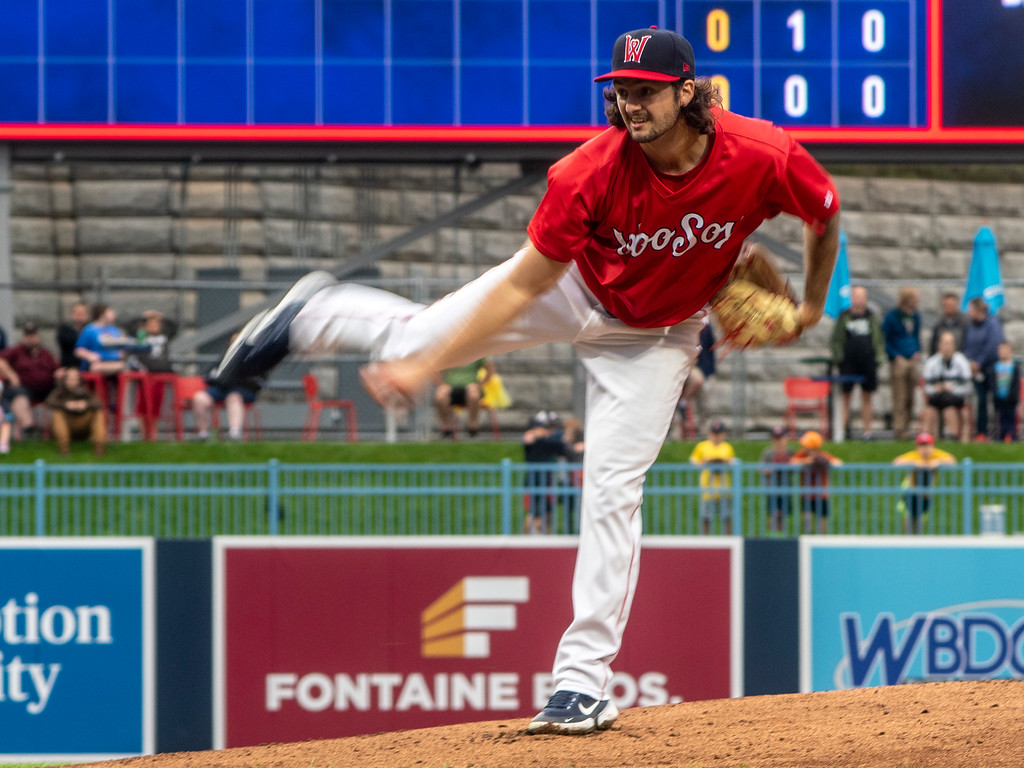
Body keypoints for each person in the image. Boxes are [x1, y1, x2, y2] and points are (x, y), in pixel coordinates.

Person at [209, 26, 841, 735]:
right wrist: (425, 366)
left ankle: (579, 685)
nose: (631, 105)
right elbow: (519, 289)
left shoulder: (760, 154)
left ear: (686, 92)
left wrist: (813, 307)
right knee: (421, 334)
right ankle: (311, 314)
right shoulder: (586, 174)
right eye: (622, 92)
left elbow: (824, 211)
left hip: (656, 335)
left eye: (647, 92)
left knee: (611, 489)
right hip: (574, 290)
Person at [829, 285, 885, 439]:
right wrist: (839, 358)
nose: (859, 299)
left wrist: (878, 358)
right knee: (846, 396)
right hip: (848, 362)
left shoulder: (871, 317)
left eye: (862, 296)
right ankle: (841, 431)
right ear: (852, 298)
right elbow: (836, 339)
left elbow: (878, 340)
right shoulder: (845, 316)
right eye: (857, 296)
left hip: (867, 361)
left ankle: (867, 431)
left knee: (867, 396)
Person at [892, 433, 956, 534]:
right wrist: (915, 463)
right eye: (922, 445)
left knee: (920, 517)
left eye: (927, 445)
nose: (925, 448)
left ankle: (918, 541)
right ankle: (906, 541)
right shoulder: (914, 455)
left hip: (926, 493)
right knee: (908, 515)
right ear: (917, 447)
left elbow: (952, 461)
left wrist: (937, 462)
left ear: (932, 446)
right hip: (910, 490)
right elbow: (896, 462)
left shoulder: (937, 455)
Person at [882, 287, 922, 440]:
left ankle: (908, 427)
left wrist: (917, 351)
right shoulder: (892, 317)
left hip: (912, 358)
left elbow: (916, 336)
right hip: (898, 361)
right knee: (900, 396)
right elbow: (886, 339)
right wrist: (894, 355)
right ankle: (899, 429)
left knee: (911, 397)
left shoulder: (915, 317)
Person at [962, 297, 1005, 441]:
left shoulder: (992, 323)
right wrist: (969, 362)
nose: (969, 313)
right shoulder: (971, 326)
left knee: (996, 401)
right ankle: (982, 433)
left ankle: (1000, 432)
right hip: (976, 371)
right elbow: (967, 346)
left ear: (979, 309)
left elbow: (992, 346)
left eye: (971, 310)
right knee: (980, 402)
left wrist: (979, 362)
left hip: (991, 369)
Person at [522, 410, 571, 534]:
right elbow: (528, 438)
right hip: (535, 483)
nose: (551, 430)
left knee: (548, 514)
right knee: (535, 514)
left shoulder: (551, 441)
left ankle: (546, 540)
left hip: (547, 483)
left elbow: (565, 446)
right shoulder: (533, 441)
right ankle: (525, 542)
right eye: (549, 427)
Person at [921, 330, 973, 441]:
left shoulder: (961, 361)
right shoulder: (932, 362)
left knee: (949, 406)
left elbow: (968, 387)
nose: (947, 347)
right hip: (937, 396)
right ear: (939, 345)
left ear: (954, 346)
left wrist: (953, 388)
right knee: (930, 406)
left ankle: (953, 436)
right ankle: (926, 438)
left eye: (949, 343)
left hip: (955, 396)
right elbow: (926, 386)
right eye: (944, 343)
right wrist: (935, 389)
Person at [45, 367, 107, 456]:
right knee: (57, 413)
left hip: (84, 426)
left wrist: (85, 404)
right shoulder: (59, 391)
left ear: (79, 380)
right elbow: (49, 401)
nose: (71, 382)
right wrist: (66, 405)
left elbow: (99, 403)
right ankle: (64, 448)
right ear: (65, 380)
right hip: (67, 425)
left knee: (98, 412)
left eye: (74, 379)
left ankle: (99, 446)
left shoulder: (84, 391)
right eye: (69, 379)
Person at [790, 430, 842, 534]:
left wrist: (827, 462)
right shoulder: (802, 455)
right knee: (807, 520)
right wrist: (808, 461)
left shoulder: (822, 455)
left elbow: (839, 463)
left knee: (822, 523)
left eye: (805, 445)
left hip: (821, 495)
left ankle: (822, 541)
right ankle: (807, 537)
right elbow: (791, 462)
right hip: (807, 495)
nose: (803, 447)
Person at [690, 421, 736, 534]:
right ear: (709, 434)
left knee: (726, 517)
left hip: (724, 489)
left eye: (719, 433)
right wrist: (705, 462)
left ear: (724, 434)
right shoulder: (702, 446)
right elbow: (694, 462)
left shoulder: (727, 447)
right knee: (706, 517)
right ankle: (705, 541)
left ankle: (728, 540)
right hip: (707, 489)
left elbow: (733, 463)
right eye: (714, 433)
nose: (716, 436)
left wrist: (723, 461)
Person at [433, 358, 495, 438]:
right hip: (450, 388)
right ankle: (446, 427)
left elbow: (490, 368)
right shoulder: (448, 351)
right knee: (440, 395)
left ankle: (473, 426)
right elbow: (434, 370)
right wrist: (441, 384)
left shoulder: (476, 350)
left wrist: (479, 384)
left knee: (473, 393)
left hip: (469, 388)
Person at [192, 374, 262, 442]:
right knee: (200, 398)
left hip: (241, 387)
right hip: (219, 386)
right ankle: (203, 434)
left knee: (234, 398)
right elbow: (207, 375)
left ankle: (235, 433)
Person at [676, 323, 715, 437]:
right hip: (683, 364)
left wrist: (708, 372)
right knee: (697, 381)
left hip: (699, 367)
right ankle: (682, 402)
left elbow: (710, 350)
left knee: (703, 400)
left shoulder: (707, 327)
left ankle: (703, 432)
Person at [74, 303, 131, 375]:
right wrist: (90, 355)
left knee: (126, 367)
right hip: (97, 363)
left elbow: (120, 344)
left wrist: (121, 352)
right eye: (110, 312)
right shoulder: (90, 329)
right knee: (121, 366)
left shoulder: (113, 329)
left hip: (115, 361)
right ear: (102, 315)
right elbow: (78, 350)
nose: (114, 314)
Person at [759, 425, 794, 534]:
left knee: (783, 514)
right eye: (776, 438)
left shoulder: (790, 452)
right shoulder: (768, 452)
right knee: (773, 513)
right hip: (771, 488)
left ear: (786, 438)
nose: (778, 441)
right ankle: (771, 534)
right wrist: (773, 468)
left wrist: (787, 466)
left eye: (781, 438)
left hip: (785, 487)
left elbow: (796, 466)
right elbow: (760, 468)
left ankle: (781, 535)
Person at [125, 310, 179, 374]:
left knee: (174, 370)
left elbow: (175, 327)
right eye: (150, 324)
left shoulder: (164, 335)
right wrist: (142, 317)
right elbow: (129, 327)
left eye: (156, 324)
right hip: (145, 364)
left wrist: (162, 317)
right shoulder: (141, 335)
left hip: (161, 365)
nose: (153, 327)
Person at [992, 342, 1021, 442]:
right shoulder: (995, 367)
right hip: (999, 398)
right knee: (1001, 418)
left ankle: (1012, 436)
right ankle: (1000, 436)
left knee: (1011, 418)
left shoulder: (1014, 367)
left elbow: (1016, 384)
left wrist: (1013, 397)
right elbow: (993, 384)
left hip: (1011, 399)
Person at [928, 291, 968, 355]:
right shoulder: (938, 323)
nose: (947, 308)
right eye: (945, 305)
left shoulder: (965, 323)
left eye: (950, 305)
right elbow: (933, 344)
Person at [57, 301, 91, 369]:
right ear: (72, 314)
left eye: (82, 313)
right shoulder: (64, 329)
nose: (79, 316)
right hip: (70, 366)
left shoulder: (91, 329)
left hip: (88, 366)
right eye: (77, 313)